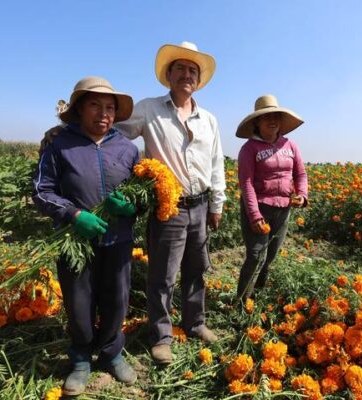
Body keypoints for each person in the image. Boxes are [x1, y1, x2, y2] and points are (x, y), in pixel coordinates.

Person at [115, 41, 226, 365]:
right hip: (169, 207)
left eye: (192, 70)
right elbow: (116, 135)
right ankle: (161, 336)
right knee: (162, 276)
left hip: (201, 205)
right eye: (180, 68)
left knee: (196, 270)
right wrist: (137, 168)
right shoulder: (148, 109)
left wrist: (217, 204)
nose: (186, 74)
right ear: (168, 74)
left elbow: (216, 163)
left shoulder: (209, 119)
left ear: (198, 79)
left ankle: (195, 324)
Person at [32, 76, 139, 395]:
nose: (104, 113)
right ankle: (80, 359)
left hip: (118, 240)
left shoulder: (128, 148)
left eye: (110, 107)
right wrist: (74, 214)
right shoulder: (60, 145)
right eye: (95, 105)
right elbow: (42, 190)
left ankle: (111, 353)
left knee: (117, 301)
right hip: (74, 241)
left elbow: (141, 194)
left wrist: (131, 206)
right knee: (79, 303)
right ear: (79, 109)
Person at [235, 94, 308, 300]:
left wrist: (302, 194)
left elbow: (300, 174)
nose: (272, 120)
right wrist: (254, 215)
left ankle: (256, 298)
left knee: (270, 257)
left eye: (275, 115)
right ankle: (242, 302)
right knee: (256, 256)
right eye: (266, 117)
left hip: (283, 209)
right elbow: (246, 183)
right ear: (257, 122)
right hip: (259, 208)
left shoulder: (290, 145)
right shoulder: (249, 149)